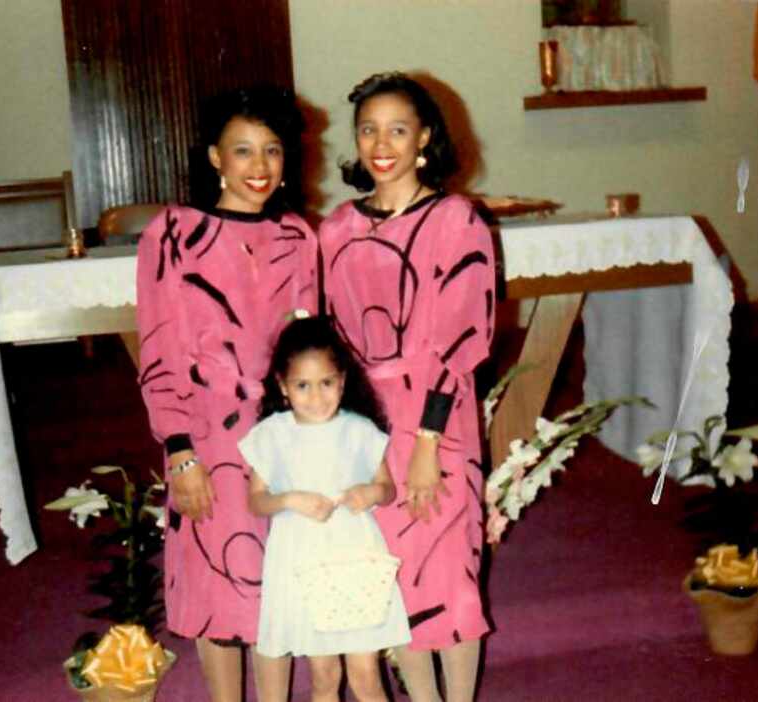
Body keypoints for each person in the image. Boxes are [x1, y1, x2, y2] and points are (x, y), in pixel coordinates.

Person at [135, 86, 318, 701]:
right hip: (206, 434)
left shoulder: (297, 236)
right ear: (214, 156)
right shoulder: (173, 234)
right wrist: (181, 452)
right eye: (243, 151)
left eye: (272, 150)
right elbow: (159, 351)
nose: (260, 166)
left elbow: (309, 344)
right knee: (217, 584)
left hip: (283, 433)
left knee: (277, 578)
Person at [318, 72, 497, 702]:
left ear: (424, 137)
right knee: (395, 581)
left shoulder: (456, 219)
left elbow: (462, 339)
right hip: (366, 424)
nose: (381, 143)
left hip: (436, 420)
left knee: (449, 575)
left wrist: (426, 442)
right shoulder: (336, 227)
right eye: (369, 129)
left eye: (397, 128)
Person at [238, 316, 411, 702]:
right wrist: (288, 499)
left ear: (343, 381)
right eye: (303, 386)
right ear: (283, 386)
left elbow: (386, 488)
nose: (317, 397)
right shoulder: (272, 435)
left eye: (326, 383)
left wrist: (370, 493)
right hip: (303, 562)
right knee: (324, 675)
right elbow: (255, 500)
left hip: (355, 557)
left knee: (366, 675)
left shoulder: (359, 430)